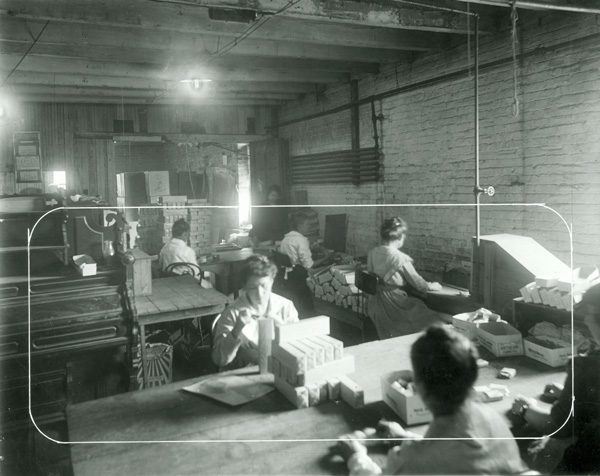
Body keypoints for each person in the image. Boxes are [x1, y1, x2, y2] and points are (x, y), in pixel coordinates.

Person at [335, 325, 528, 475]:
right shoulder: (492, 420)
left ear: (419, 387)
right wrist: (404, 438)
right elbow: (455, 452)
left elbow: (434, 454)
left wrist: (355, 456)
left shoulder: (412, 461)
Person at [511, 283, 600, 474]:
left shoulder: (587, 366)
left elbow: (558, 427)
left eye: (591, 315)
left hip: (589, 464)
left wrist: (525, 408)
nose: (586, 319)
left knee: (530, 447)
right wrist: (570, 392)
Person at [212, 255, 298, 369]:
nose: (259, 293)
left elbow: (298, 347)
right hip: (244, 372)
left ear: (272, 281)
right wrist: (236, 330)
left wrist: (283, 331)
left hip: (279, 368)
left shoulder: (285, 306)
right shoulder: (232, 312)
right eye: (252, 287)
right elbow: (219, 359)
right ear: (244, 286)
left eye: (264, 286)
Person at [366, 217, 447, 339]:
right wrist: (431, 285)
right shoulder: (400, 258)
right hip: (395, 303)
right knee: (428, 316)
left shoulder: (372, 253)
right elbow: (419, 284)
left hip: (376, 303)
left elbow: (371, 274)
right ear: (399, 238)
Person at [279, 211, 333, 318]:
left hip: (288, 276)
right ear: (299, 225)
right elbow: (309, 266)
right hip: (298, 277)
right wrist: (326, 256)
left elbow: (294, 252)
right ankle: (311, 315)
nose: (310, 227)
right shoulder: (301, 240)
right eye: (307, 225)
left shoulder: (286, 238)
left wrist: (311, 248)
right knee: (328, 270)